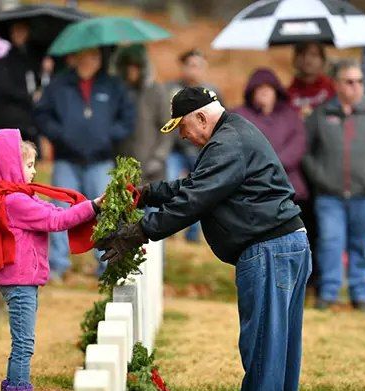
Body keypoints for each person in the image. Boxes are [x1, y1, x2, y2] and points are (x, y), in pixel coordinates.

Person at [97, 87, 311, 391]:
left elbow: (193, 201)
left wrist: (139, 232)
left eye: (182, 127)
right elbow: (195, 186)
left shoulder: (227, 143)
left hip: (269, 250)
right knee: (280, 351)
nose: (182, 137)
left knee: (264, 350)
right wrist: (144, 194)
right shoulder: (231, 137)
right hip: (286, 244)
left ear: (200, 117)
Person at [0, 129, 104, 391]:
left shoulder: (20, 196)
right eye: (28, 165)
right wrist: (94, 206)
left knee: (23, 341)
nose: (34, 172)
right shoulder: (15, 201)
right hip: (19, 281)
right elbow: (55, 222)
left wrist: (84, 208)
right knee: (24, 344)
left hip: (23, 279)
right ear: (11, 166)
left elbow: (53, 212)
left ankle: (13, 388)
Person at [303, 59, 365, 311]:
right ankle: (329, 293)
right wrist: (318, 176)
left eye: (359, 82)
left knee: (359, 245)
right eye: (349, 81)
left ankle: (359, 294)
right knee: (330, 242)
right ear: (336, 84)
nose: (355, 86)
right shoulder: (321, 115)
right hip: (329, 196)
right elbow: (305, 150)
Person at [34, 47, 135, 279]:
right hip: (66, 160)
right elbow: (42, 115)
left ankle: (106, 266)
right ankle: (57, 265)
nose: (90, 61)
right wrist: (59, 135)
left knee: (105, 212)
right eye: (85, 56)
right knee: (58, 211)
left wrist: (108, 136)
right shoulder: (59, 85)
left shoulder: (113, 85)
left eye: (95, 56)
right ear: (75, 57)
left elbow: (128, 118)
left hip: (100, 160)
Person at [232, 67, 310, 234]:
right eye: (259, 88)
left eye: (268, 88)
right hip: (253, 190)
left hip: (291, 189)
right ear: (251, 92)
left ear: (276, 91)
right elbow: (235, 146)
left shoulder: (290, 115)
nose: (263, 92)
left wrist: (272, 164)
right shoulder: (239, 116)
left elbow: (298, 144)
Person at [165, 49, 224, 242]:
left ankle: (193, 234)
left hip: (202, 150)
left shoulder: (213, 93)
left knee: (200, 187)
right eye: (190, 65)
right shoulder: (171, 90)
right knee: (169, 181)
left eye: (198, 66)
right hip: (175, 150)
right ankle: (170, 226)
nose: (194, 70)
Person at [114, 44, 172, 182]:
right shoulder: (117, 92)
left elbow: (168, 127)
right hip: (123, 165)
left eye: (136, 66)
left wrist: (159, 157)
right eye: (128, 66)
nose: (131, 71)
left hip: (152, 166)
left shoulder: (157, 91)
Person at [0, 22, 41, 152]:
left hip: (29, 117)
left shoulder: (30, 55)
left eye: (23, 31)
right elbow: (4, 86)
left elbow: (34, 80)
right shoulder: (3, 56)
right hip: (9, 117)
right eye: (16, 31)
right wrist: (29, 97)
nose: (19, 34)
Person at [287, 42, 336, 118]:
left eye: (313, 55)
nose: (307, 59)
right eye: (303, 54)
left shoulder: (333, 88)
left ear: (322, 60)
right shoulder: (288, 94)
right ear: (295, 59)